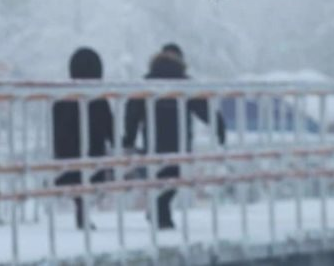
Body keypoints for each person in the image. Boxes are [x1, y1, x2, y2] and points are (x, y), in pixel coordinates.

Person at [122, 44, 225, 230]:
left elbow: (132, 114)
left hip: (153, 144)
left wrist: (128, 139)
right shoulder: (185, 84)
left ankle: (159, 213)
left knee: (157, 178)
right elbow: (205, 110)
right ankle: (162, 215)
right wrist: (219, 127)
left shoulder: (145, 84)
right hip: (179, 142)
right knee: (173, 180)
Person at [52, 47, 115, 229]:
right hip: (93, 150)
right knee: (89, 181)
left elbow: (57, 126)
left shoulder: (62, 97)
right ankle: (83, 212)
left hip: (68, 152)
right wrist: (117, 141)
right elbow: (109, 124)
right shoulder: (98, 98)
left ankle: (81, 209)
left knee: (76, 182)